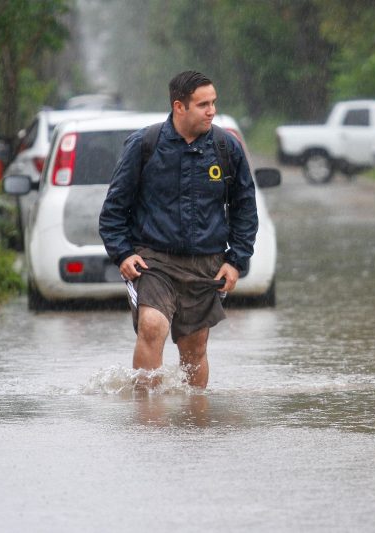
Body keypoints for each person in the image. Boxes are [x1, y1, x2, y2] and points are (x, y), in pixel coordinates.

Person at [99, 71, 258, 389]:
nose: (212, 111)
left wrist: (236, 261)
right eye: (203, 105)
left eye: (213, 103)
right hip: (154, 260)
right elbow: (114, 208)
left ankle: (195, 413)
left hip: (206, 263)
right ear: (179, 107)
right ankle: (147, 412)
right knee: (152, 326)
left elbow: (245, 210)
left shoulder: (226, 147)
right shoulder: (144, 144)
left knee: (194, 347)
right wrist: (123, 253)